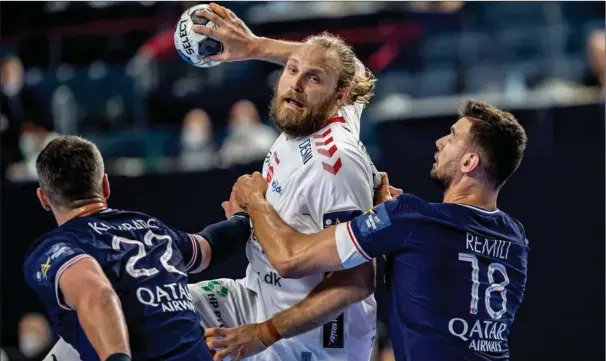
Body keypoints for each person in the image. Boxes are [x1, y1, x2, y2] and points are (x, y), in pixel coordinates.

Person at [222, 100, 529, 361]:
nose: (440, 142)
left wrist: (255, 202)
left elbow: (289, 257)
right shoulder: (516, 239)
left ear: (469, 161)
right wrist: (386, 219)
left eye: (452, 136)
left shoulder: (409, 218)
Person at [189, 3, 380, 361]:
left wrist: (256, 206)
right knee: (146, 308)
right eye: (292, 69)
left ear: (339, 97)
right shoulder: (310, 117)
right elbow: (354, 68)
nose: (294, 84)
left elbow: (356, 282)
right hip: (256, 295)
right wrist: (255, 47)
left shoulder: (336, 163)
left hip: (311, 341)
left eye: (314, 78)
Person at [24, 136, 252, 361]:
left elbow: (97, 292)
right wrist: (243, 217)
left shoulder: (55, 248)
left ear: (43, 198)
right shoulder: (149, 227)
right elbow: (206, 249)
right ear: (105, 186)